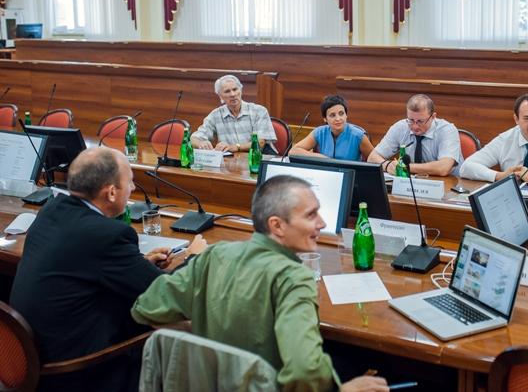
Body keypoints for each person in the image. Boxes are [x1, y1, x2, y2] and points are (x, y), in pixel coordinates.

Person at [131, 176, 388, 392]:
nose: (322, 223)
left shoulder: (215, 255)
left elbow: (147, 308)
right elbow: (303, 373)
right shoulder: (294, 278)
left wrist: (203, 334)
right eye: (311, 215)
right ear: (277, 225)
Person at [9, 147, 207, 392]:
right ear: (112, 192)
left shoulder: (51, 210)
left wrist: (140, 265)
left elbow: (87, 268)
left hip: (33, 363)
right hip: (79, 374)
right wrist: (194, 258)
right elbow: (167, 294)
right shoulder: (107, 235)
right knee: (188, 330)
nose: (133, 188)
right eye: (130, 181)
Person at [367, 94, 462, 176]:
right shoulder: (400, 127)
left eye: (420, 121)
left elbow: (443, 168)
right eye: (411, 120)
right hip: (412, 183)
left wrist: (404, 167)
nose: (415, 126)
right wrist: (387, 166)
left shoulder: (447, 130)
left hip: (448, 185)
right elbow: (372, 158)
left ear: (433, 117)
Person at [191, 74, 277, 154]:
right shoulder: (215, 115)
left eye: (235, 89)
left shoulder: (259, 111)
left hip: (258, 157)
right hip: (232, 161)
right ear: (220, 96)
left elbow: (260, 142)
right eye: (227, 91)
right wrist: (201, 143)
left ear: (241, 90)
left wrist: (236, 147)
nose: (233, 94)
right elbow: (193, 138)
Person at [289, 94, 374, 161]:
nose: (338, 119)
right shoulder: (319, 132)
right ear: (325, 119)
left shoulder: (359, 136)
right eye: (332, 115)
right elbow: (293, 151)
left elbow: (375, 159)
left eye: (341, 113)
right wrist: (322, 158)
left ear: (346, 115)